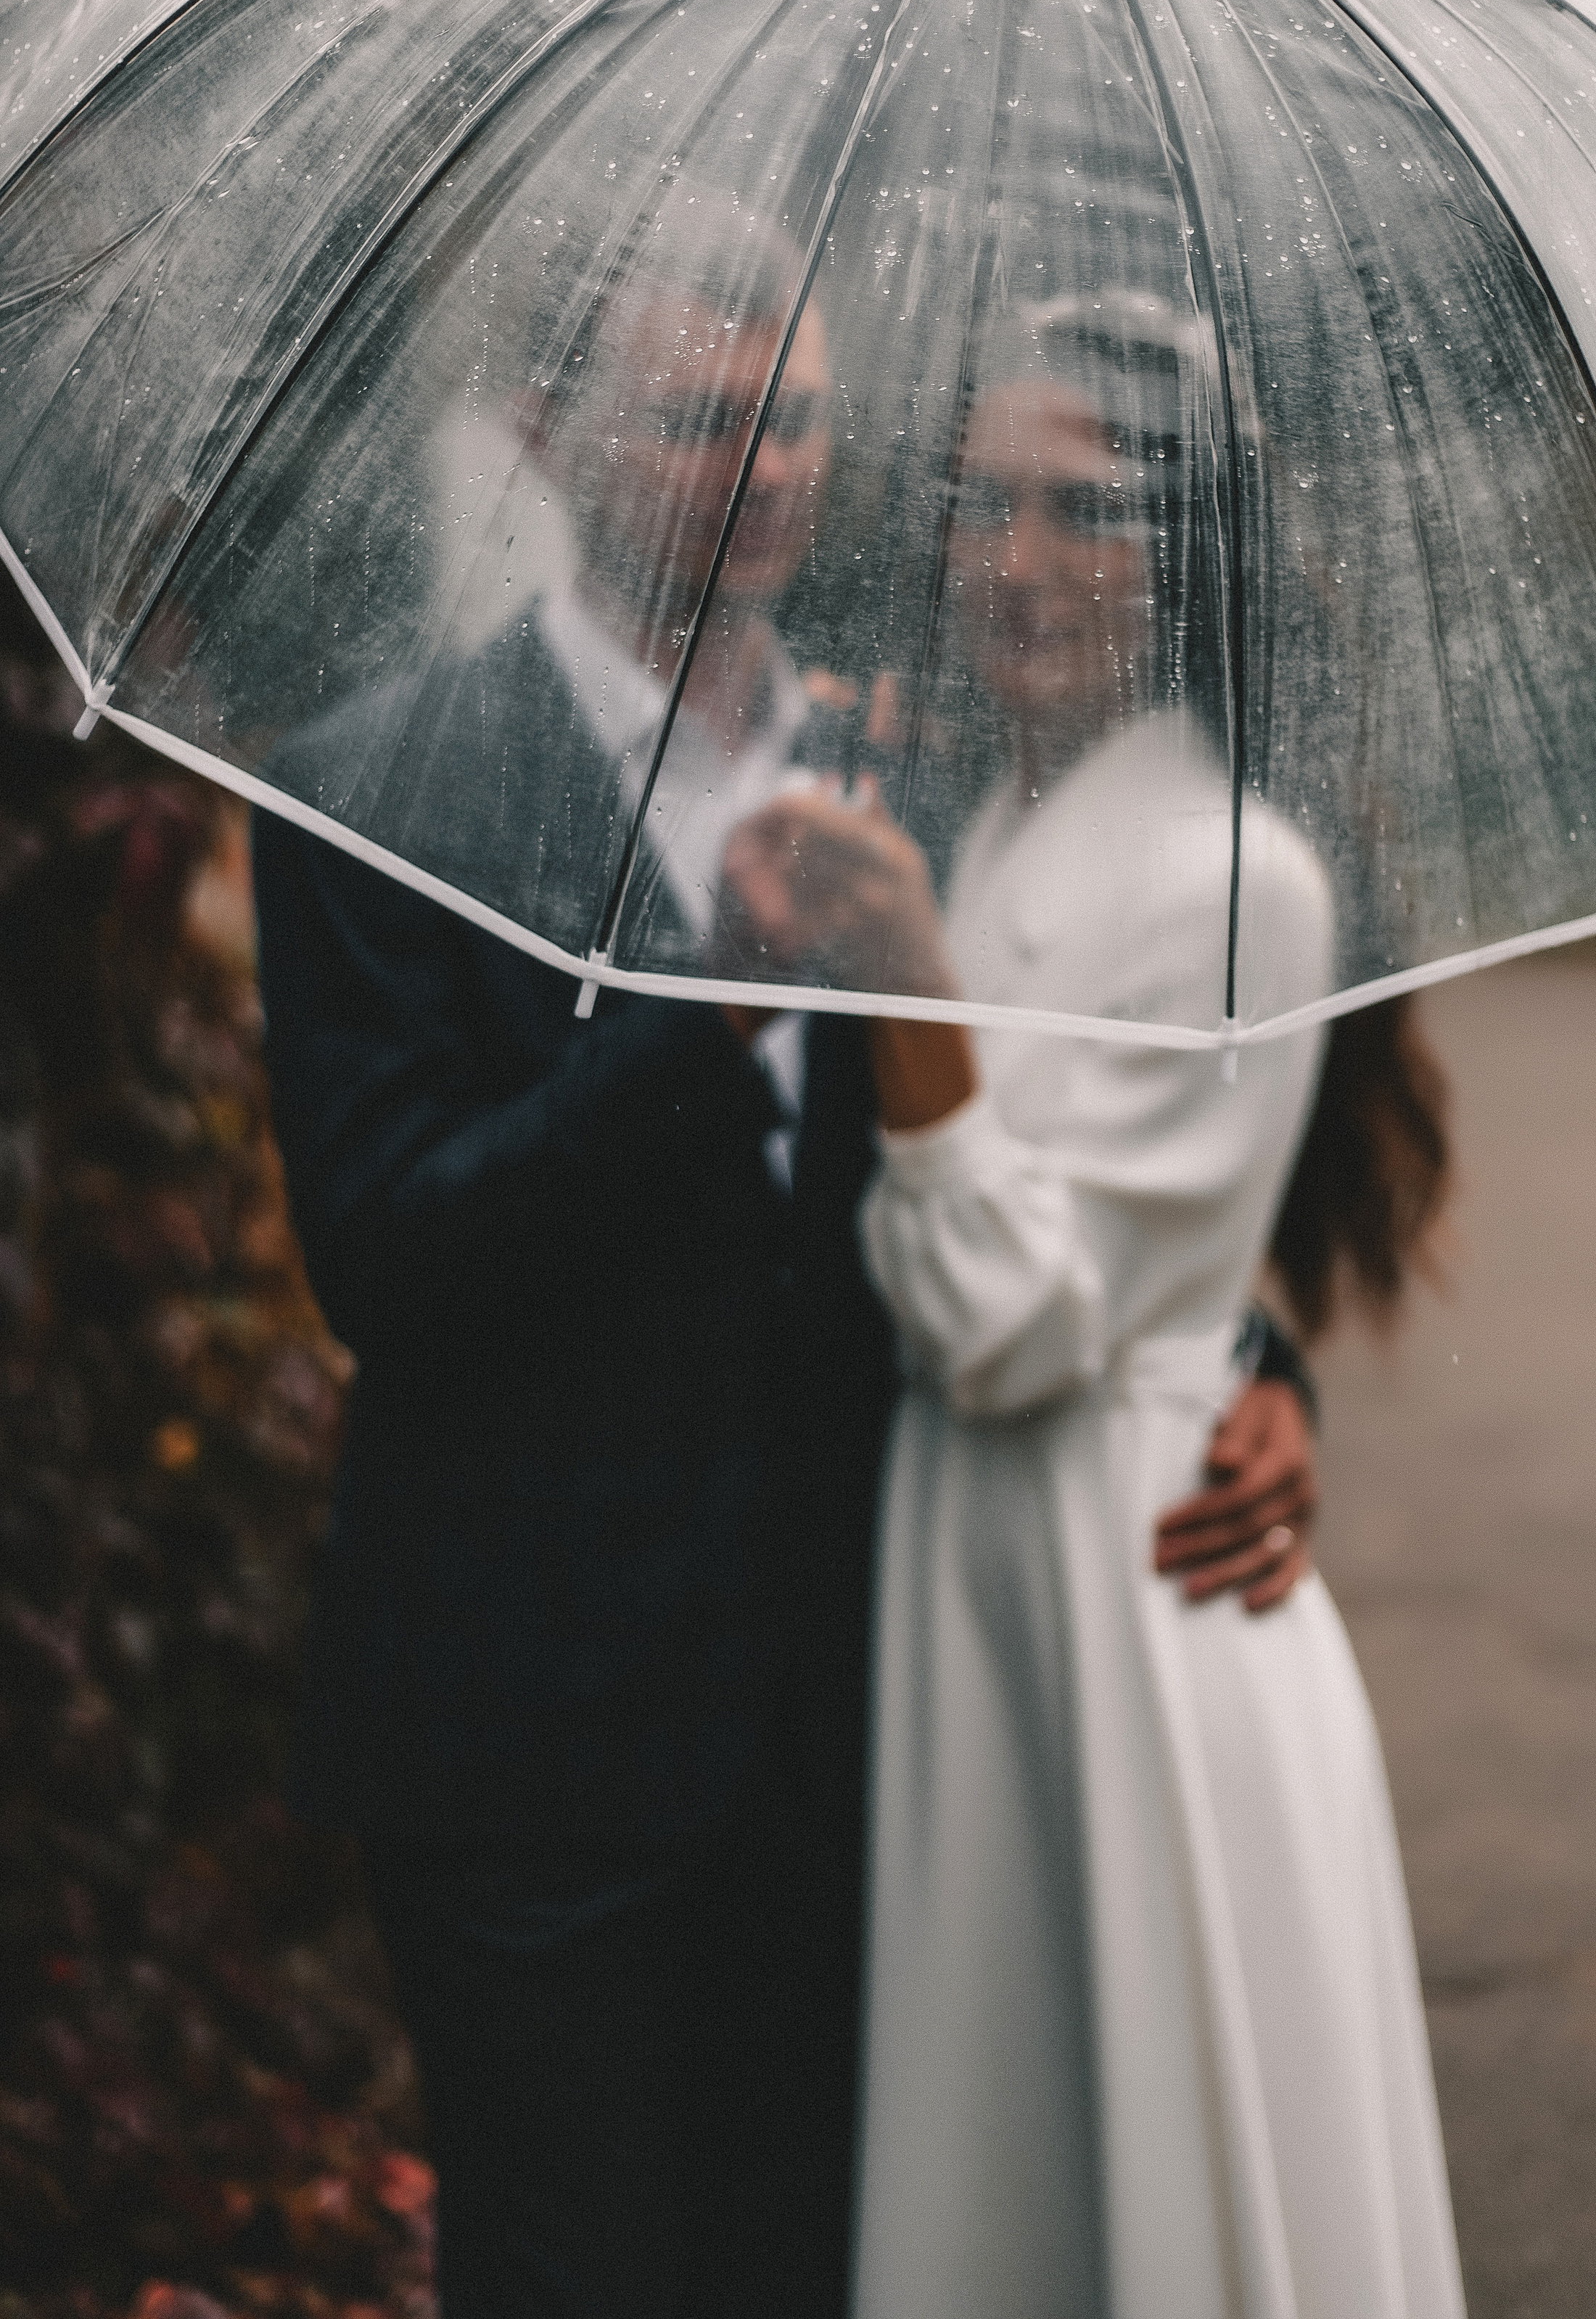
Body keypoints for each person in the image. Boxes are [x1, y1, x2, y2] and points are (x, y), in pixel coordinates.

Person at [253, 219, 1317, 2318]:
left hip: (860, 1734)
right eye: (694, 421)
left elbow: (1047, 1146)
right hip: (532, 1744)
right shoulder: (375, 792)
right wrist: (707, 1011)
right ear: (542, 429)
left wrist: (1252, 1364)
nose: (761, 474)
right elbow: (388, 1255)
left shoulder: (923, 773)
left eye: (801, 422)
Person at [722, 294, 1464, 2319]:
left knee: (1150, 2159)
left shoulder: (1241, 880)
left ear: (1190, 550)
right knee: (1016, 2171)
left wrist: (908, 988)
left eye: (1088, 511)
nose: (1018, 561)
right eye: (980, 504)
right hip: (966, 1570)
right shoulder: (974, 816)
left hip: (1127, 1589)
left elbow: (1011, 1325)